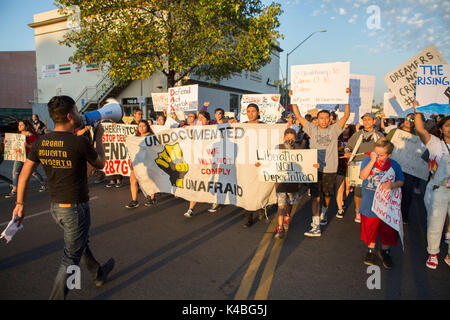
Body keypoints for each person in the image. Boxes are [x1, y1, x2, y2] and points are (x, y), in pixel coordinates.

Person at [12, 95, 114, 299]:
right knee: (70, 258)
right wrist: (100, 137)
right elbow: (101, 164)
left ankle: (97, 272)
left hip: (56, 208)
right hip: (75, 209)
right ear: (69, 116)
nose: (79, 114)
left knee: (78, 245)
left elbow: (23, 175)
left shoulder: (41, 141)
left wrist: (20, 204)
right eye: (76, 111)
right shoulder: (79, 143)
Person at [291, 87, 351, 237]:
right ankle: (316, 224)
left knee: (327, 195)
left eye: (326, 118)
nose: (323, 120)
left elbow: (347, 115)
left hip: (330, 169)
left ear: (330, 119)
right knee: (316, 196)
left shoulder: (334, 129)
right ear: (317, 119)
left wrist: (347, 98)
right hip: (314, 169)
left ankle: (323, 214)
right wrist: (293, 99)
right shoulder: (311, 129)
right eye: (321, 118)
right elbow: (297, 115)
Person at [414, 101, 450, 269]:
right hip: (437, 190)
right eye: (447, 125)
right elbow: (420, 130)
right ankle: (433, 253)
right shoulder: (435, 143)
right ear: (441, 129)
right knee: (435, 222)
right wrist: (417, 111)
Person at [359, 138, 404, 269]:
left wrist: (393, 184)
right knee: (370, 229)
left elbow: (401, 181)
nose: (377, 156)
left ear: (389, 155)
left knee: (387, 229)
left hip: (386, 205)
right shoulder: (368, 160)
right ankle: (371, 250)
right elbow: (362, 176)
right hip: (370, 203)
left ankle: (385, 252)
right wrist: (372, 160)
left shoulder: (394, 165)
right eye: (375, 153)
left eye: (381, 155)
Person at [272, 128, 313, 239]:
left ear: (295, 139)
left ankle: (288, 216)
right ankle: (280, 227)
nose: (289, 140)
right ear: (283, 138)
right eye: (287, 138)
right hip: (280, 182)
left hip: (293, 183)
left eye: (292, 138)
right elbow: (270, 160)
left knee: (290, 203)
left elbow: (306, 163)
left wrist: (314, 167)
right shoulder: (278, 148)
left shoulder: (298, 149)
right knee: (281, 205)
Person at [343, 113, 384, 223]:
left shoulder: (379, 135)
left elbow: (385, 150)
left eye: (369, 119)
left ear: (374, 121)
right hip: (359, 166)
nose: (366, 122)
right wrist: (347, 152)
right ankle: (358, 211)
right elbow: (348, 147)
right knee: (359, 191)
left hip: (374, 167)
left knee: (373, 191)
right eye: (364, 120)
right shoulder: (357, 134)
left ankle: (372, 210)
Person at [385, 113, 420, 225]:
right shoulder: (394, 132)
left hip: (409, 169)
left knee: (407, 193)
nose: (409, 121)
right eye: (407, 118)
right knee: (390, 190)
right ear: (404, 119)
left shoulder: (417, 135)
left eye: (412, 120)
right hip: (393, 166)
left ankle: (403, 216)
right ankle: (388, 213)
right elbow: (386, 145)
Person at [4, 120, 47, 199]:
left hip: (29, 156)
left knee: (33, 172)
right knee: (15, 172)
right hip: (19, 156)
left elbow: (34, 147)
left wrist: (27, 145)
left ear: (26, 126)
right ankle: (14, 190)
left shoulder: (31, 135)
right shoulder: (17, 136)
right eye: (19, 125)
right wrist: (6, 143)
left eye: (21, 125)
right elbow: (12, 146)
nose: (19, 126)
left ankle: (43, 183)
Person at [241, 103, 266, 227]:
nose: (250, 114)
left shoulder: (264, 126)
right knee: (249, 190)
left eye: (253, 111)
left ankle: (261, 207)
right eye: (248, 111)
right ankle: (248, 217)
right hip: (247, 163)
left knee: (261, 187)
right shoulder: (242, 126)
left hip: (261, 161)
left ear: (258, 112)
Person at [184, 111, 211, 218]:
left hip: (211, 163)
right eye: (198, 118)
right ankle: (191, 209)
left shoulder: (216, 130)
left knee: (213, 184)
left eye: (202, 118)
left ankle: (216, 202)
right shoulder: (193, 131)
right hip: (198, 163)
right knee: (196, 184)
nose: (199, 120)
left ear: (208, 121)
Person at [125, 120, 157, 208]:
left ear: (147, 127)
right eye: (140, 126)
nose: (141, 128)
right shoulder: (135, 138)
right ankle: (134, 200)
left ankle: (152, 197)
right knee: (133, 180)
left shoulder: (152, 137)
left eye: (143, 126)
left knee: (150, 180)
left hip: (149, 162)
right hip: (137, 163)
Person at [335, 124, 356, 218]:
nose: (344, 130)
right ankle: (340, 208)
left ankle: (343, 200)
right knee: (340, 188)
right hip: (339, 165)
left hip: (349, 166)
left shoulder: (353, 139)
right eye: (343, 127)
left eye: (347, 128)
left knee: (347, 188)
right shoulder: (337, 138)